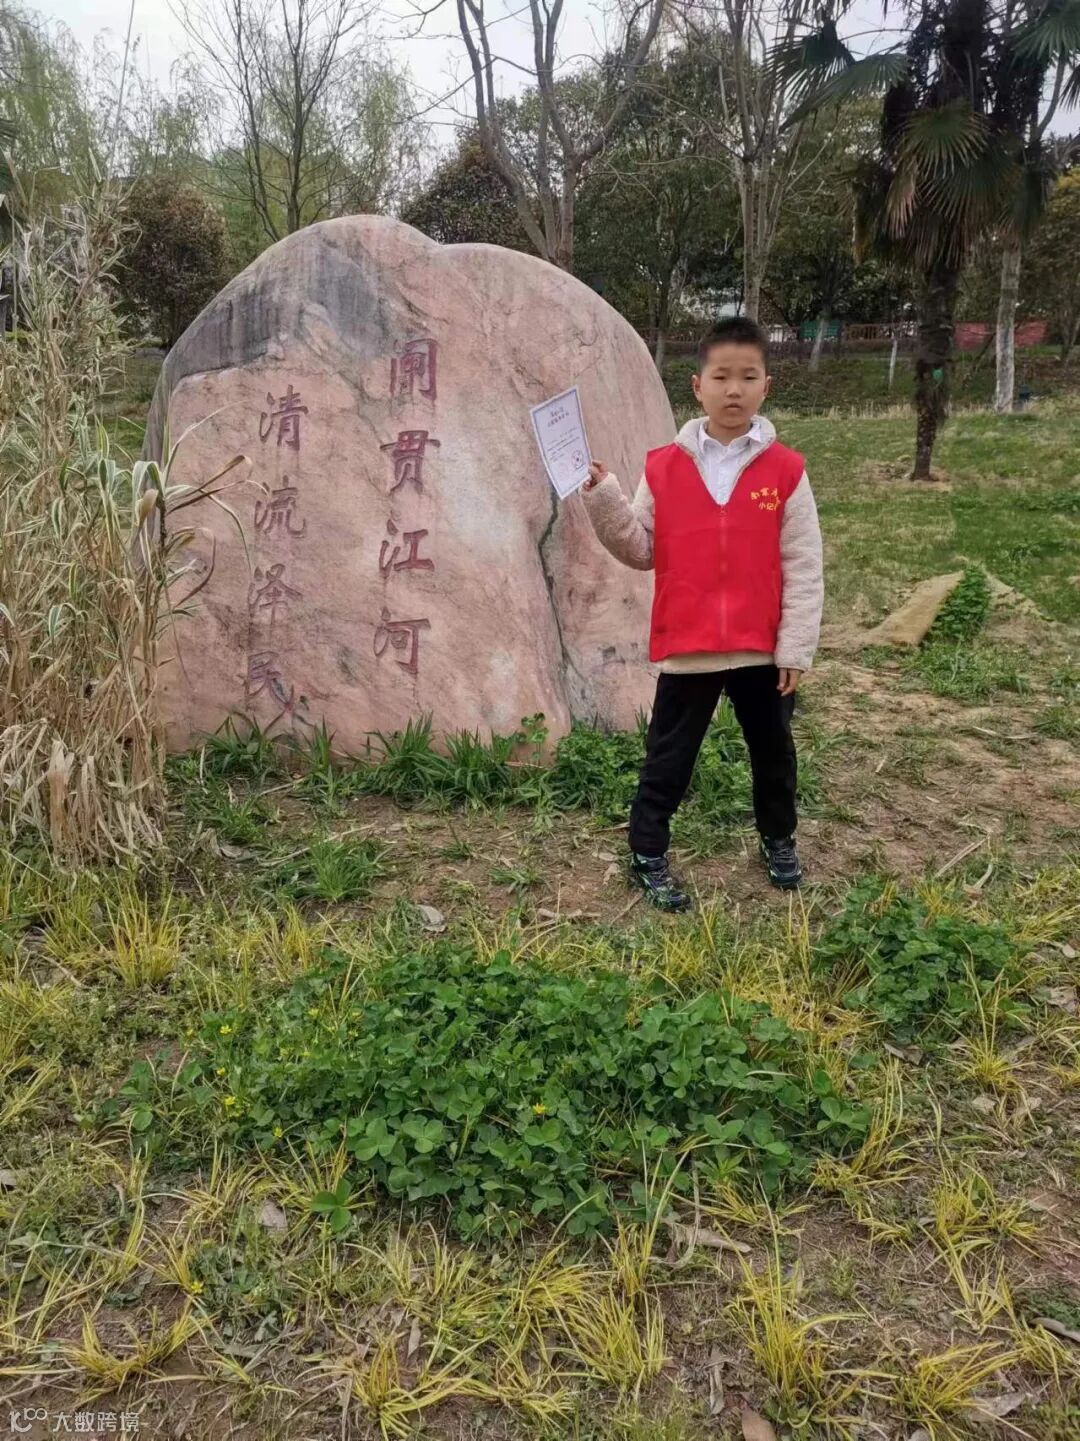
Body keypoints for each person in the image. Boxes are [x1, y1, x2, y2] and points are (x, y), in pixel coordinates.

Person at [579, 316, 823, 912]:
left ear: (766, 385)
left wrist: (794, 647)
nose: (733, 389)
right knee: (669, 757)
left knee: (774, 754)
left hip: (761, 648)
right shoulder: (663, 467)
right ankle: (647, 851)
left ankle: (778, 839)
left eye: (748, 377)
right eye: (721, 376)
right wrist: (604, 498)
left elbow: (803, 562)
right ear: (697, 386)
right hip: (688, 646)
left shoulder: (787, 471)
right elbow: (641, 548)